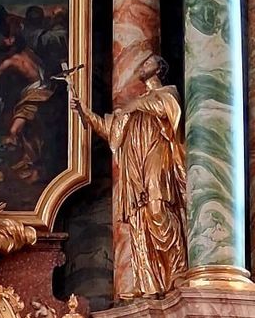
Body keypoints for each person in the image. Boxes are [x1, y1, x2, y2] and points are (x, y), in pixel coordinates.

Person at [69, 55, 187, 298]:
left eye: (148, 63)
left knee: (158, 211)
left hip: (157, 158)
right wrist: (83, 110)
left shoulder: (166, 94)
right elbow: (108, 131)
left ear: (160, 68)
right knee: (140, 221)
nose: (142, 66)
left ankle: (178, 269)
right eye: (141, 63)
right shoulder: (133, 107)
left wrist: (132, 108)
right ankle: (152, 283)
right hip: (135, 169)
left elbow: (167, 109)